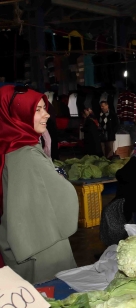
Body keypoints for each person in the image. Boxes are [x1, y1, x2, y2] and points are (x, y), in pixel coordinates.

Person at [0, 85, 79, 283]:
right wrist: (59, 181)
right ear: (17, 114)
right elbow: (62, 196)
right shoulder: (26, 155)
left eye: (45, 108)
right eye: (37, 110)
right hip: (43, 249)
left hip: (24, 241)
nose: (46, 115)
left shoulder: (10, 146)